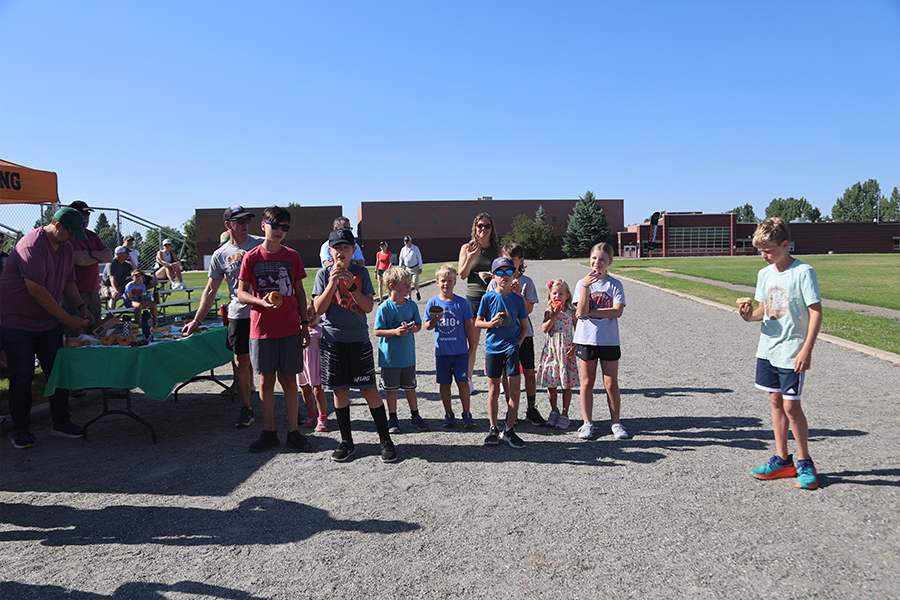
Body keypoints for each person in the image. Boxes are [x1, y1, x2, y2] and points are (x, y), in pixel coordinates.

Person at [739, 217, 822, 490]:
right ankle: (782, 459)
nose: (764, 256)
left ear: (786, 245)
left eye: (769, 250)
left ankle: (804, 460)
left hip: (791, 350)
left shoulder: (803, 272)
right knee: (776, 402)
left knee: (791, 406)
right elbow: (766, 310)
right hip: (769, 349)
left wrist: (806, 349)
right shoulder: (765, 274)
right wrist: (749, 316)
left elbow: (815, 311)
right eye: (760, 251)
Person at [0, 207, 91, 449]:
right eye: (72, 233)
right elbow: (36, 289)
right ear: (58, 226)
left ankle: (61, 423)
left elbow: (68, 282)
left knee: (58, 373)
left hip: (48, 323)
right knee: (22, 377)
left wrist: (81, 308)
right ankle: (20, 430)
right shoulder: (31, 245)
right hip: (17, 323)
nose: (74, 239)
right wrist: (67, 319)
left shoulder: (66, 247)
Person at [312, 227, 397, 463]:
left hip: (357, 339)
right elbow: (318, 310)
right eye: (337, 248)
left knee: (369, 389)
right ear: (330, 250)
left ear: (353, 250)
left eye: (346, 248)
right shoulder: (323, 274)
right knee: (340, 391)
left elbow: (368, 307)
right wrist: (331, 283)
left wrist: (351, 287)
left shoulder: (360, 272)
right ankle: (347, 441)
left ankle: (385, 440)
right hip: (333, 340)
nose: (341, 252)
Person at [236, 206, 312, 453]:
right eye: (275, 225)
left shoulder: (292, 256)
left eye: (285, 227)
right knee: (265, 381)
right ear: (264, 226)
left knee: (289, 381)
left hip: (290, 328)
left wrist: (304, 325)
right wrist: (260, 302)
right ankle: (269, 432)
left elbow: (299, 292)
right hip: (262, 330)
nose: (280, 231)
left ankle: (293, 432)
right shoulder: (252, 257)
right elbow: (241, 292)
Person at [182, 204, 263, 427]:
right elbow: (210, 290)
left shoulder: (261, 243)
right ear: (228, 225)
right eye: (240, 221)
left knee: (269, 362)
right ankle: (246, 408)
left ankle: (274, 408)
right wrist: (197, 320)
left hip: (264, 312)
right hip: (239, 313)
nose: (245, 224)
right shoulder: (220, 254)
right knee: (241, 361)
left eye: (247, 221)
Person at [573, 242, 627, 441]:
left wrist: (591, 312)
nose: (597, 263)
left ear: (610, 262)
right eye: (594, 258)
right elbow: (580, 311)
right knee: (586, 383)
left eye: (602, 259)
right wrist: (587, 287)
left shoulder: (615, 284)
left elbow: (617, 311)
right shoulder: (582, 283)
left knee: (611, 383)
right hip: (587, 339)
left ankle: (616, 422)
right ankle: (587, 423)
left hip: (609, 340)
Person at [486, 243, 544, 425]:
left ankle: (531, 409)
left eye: (512, 261)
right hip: (503, 335)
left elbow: (529, 310)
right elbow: (488, 307)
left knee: (529, 370)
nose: (508, 263)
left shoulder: (526, 282)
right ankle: (511, 412)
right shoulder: (494, 282)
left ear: (521, 261)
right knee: (507, 372)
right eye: (504, 260)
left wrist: (519, 295)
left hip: (524, 334)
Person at [475, 257, 529, 449]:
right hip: (493, 348)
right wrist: (490, 324)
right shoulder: (488, 298)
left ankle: (509, 429)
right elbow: (477, 322)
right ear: (493, 276)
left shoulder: (517, 300)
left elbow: (524, 326)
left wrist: (517, 344)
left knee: (514, 390)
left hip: (512, 348)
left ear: (514, 274)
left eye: (508, 272)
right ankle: (492, 428)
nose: (504, 276)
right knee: (494, 390)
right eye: (500, 272)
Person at [375, 267, 430, 434]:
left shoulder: (412, 305)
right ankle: (392, 417)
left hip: (407, 357)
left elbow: (419, 325)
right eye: (405, 284)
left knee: (410, 388)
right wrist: (395, 332)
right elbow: (377, 331)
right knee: (391, 390)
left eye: (409, 284)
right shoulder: (384, 307)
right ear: (392, 286)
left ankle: (415, 416)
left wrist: (414, 329)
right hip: (390, 358)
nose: (409, 287)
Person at [424, 264, 477, 429]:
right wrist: (435, 320)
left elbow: (469, 326)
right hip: (442, 352)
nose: (446, 284)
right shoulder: (433, 302)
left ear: (455, 282)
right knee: (445, 384)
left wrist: (472, 346)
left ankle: (466, 413)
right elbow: (427, 325)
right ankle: (448, 413)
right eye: (443, 281)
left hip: (460, 351)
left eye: (450, 281)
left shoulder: (461, 303)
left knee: (463, 382)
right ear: (437, 282)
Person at [457, 212, 501, 391]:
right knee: (472, 343)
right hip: (474, 297)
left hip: (493, 297)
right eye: (480, 226)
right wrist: (470, 258)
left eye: (487, 226)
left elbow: (504, 273)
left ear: (492, 229)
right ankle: (468, 379)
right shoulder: (467, 247)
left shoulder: (497, 249)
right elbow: (462, 275)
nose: (483, 229)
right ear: (475, 228)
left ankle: (498, 378)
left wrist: (493, 275)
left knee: (498, 339)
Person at [61, 201, 114, 340]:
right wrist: (97, 256)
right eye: (83, 214)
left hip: (93, 291)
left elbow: (109, 257)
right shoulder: (69, 236)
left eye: (88, 214)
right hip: (75, 293)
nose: (86, 217)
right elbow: (79, 260)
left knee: (96, 331)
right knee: (75, 333)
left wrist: (89, 252)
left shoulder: (91, 235)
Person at [536, 279, 579, 429]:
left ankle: (565, 414)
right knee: (551, 382)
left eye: (561, 293)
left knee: (566, 384)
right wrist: (553, 315)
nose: (557, 296)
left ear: (567, 295)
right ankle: (554, 410)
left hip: (566, 351)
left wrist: (575, 345)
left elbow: (578, 330)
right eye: (554, 293)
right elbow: (545, 329)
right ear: (550, 294)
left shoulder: (571, 311)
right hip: (552, 351)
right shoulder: (548, 311)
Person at [298, 297, 328, 432]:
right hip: (301, 365)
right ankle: (311, 413)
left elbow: (324, 349)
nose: (311, 317)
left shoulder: (319, 331)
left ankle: (322, 416)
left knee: (317, 391)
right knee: (304, 390)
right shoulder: (297, 330)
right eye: (307, 314)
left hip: (315, 365)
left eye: (314, 314)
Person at [398, 236, 423, 301]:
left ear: (410, 241)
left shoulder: (415, 248)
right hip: (407, 268)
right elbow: (401, 259)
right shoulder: (403, 249)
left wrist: (420, 267)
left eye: (408, 241)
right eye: (405, 242)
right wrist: (400, 268)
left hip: (415, 268)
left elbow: (419, 258)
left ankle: (417, 292)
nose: (406, 243)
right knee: (408, 283)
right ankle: (409, 297)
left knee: (415, 282)